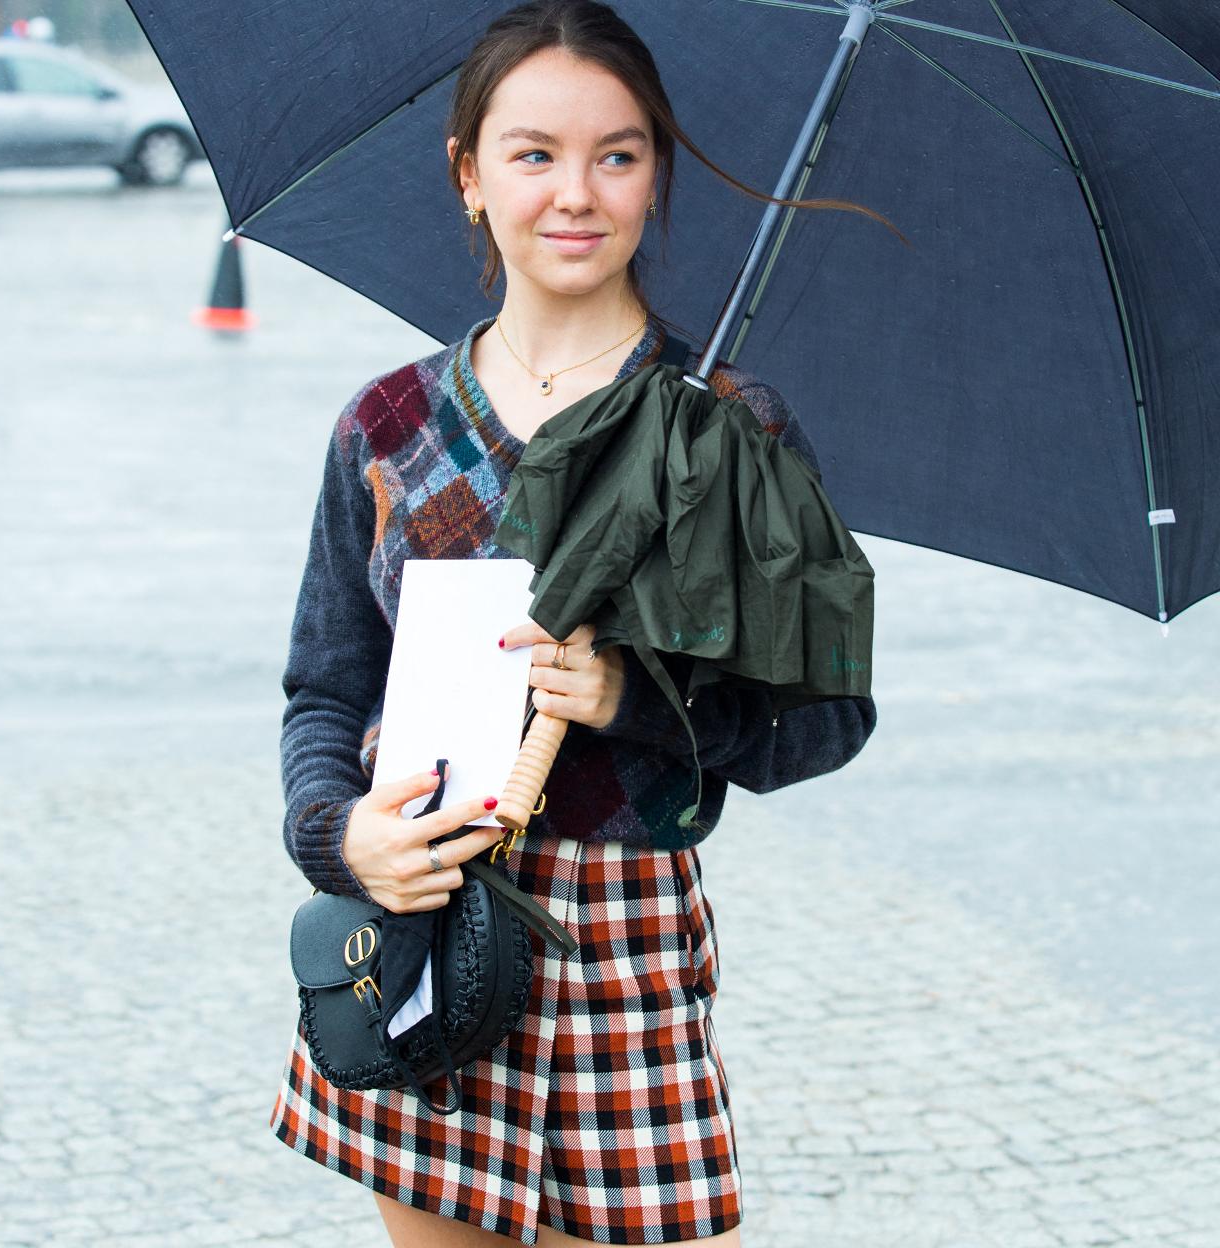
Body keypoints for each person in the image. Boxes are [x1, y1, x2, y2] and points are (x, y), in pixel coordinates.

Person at [268, 3, 883, 1244]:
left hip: (620, 942)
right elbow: (325, 691)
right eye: (534, 152)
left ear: (657, 175)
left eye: (618, 153)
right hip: (427, 926)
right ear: (468, 174)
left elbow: (826, 718)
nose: (577, 193)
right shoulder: (388, 425)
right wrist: (340, 841)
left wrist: (636, 705)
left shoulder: (725, 431)